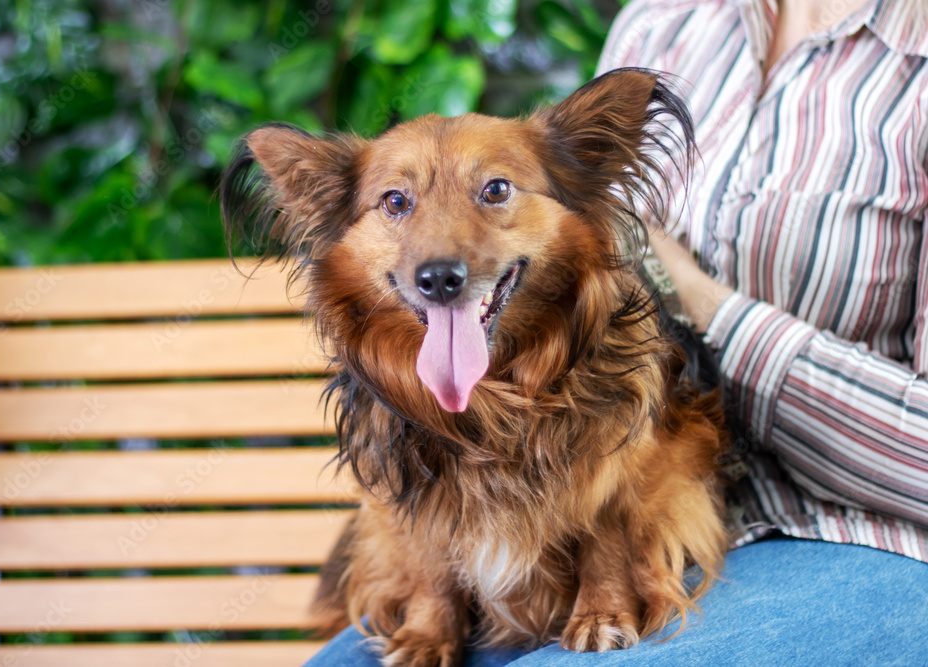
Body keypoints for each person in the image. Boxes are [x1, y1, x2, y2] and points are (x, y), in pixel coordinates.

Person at [305, 0, 928, 663]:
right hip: (554, 517)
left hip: (844, 527)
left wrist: (711, 307)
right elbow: (587, 236)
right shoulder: (664, 19)